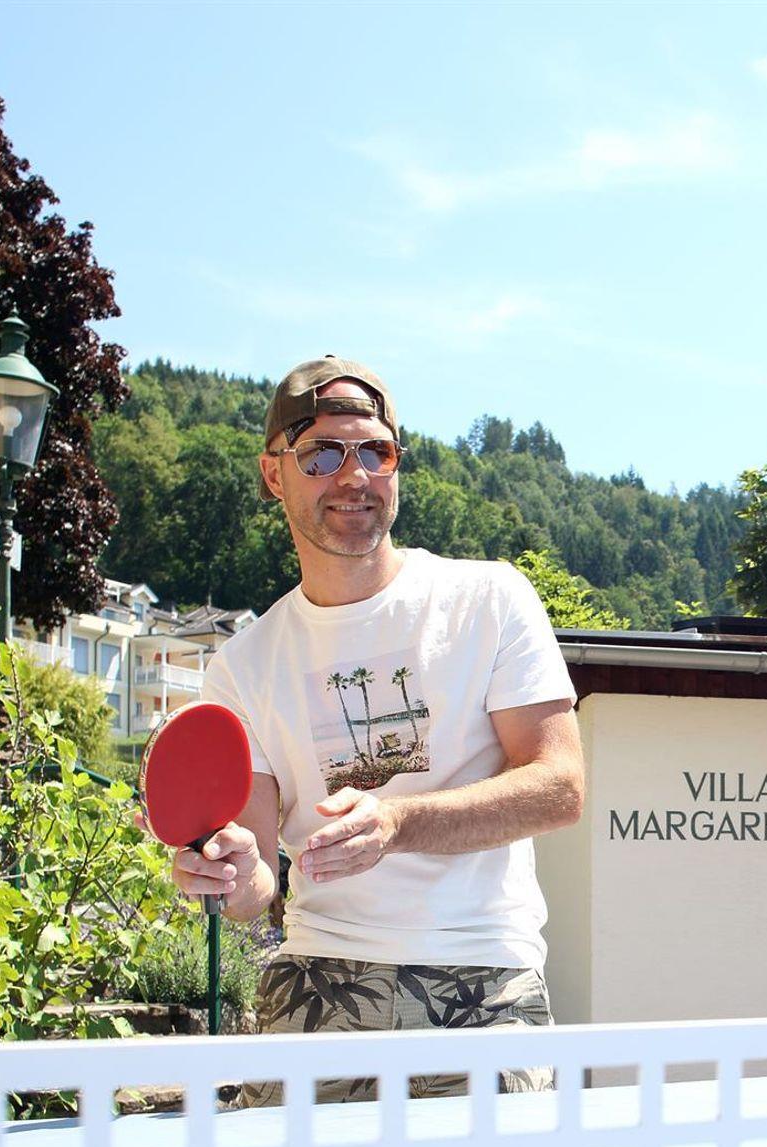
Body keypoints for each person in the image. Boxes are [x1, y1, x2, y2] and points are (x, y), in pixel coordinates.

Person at [170, 356, 583, 1098]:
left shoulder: (490, 598)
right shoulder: (243, 664)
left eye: (376, 452)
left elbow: (559, 787)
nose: (353, 476)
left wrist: (396, 823)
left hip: (481, 981)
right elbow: (258, 879)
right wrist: (227, 874)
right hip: (317, 978)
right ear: (273, 474)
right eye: (320, 455)